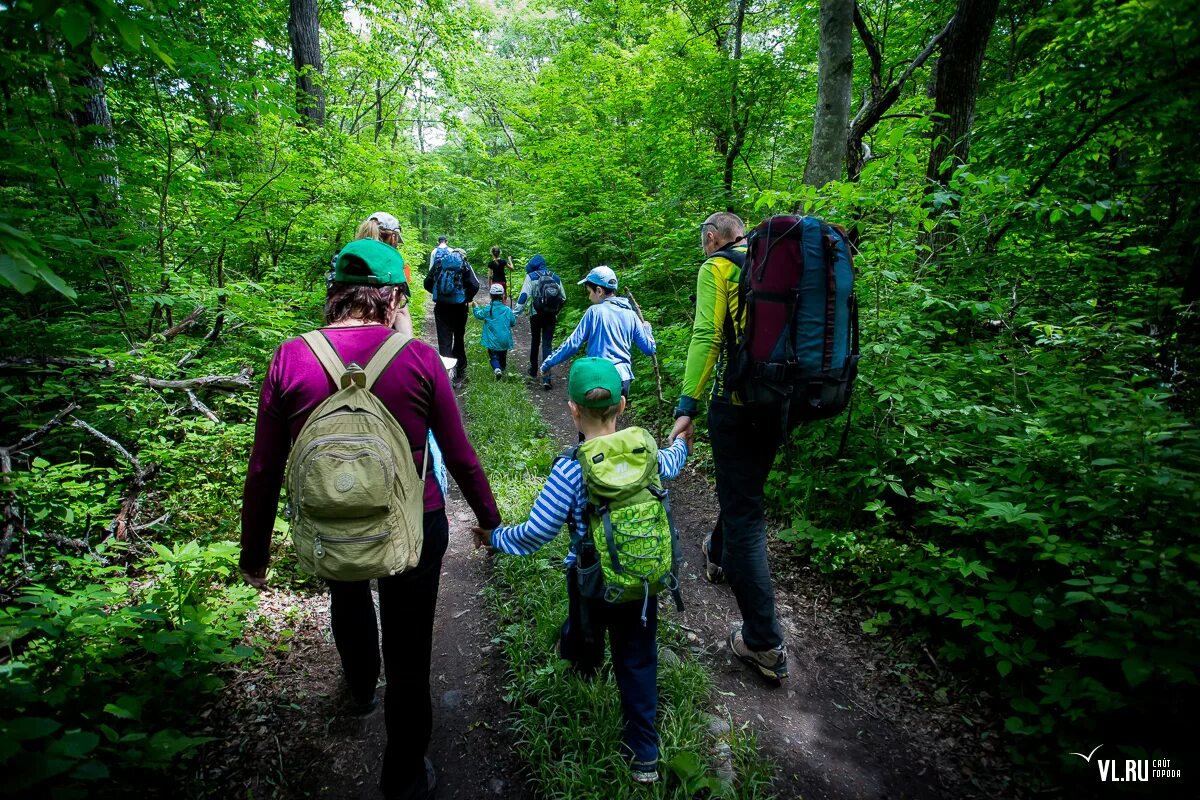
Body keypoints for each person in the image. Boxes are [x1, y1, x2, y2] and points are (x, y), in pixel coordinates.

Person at [240, 238, 501, 800]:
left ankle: (359, 688)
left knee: (348, 597)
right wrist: (488, 519)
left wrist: (254, 554)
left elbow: (264, 469)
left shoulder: (291, 356)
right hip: (415, 520)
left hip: (332, 518)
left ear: (334, 295)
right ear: (393, 299)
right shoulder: (419, 358)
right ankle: (403, 773)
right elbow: (458, 454)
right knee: (410, 652)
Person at [471, 358, 689, 785]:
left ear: (572, 408)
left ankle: (581, 666)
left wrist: (494, 538)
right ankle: (644, 756)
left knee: (587, 632)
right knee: (638, 661)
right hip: (642, 585)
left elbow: (536, 533)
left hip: (590, 580)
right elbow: (675, 460)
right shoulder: (648, 455)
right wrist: (683, 439)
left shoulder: (570, 469)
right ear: (622, 404)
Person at [668, 211, 789, 684]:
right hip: (780, 402)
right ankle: (717, 555)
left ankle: (764, 642)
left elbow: (707, 336)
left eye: (704, 243)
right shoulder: (769, 261)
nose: (704, 250)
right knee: (745, 491)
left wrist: (686, 407)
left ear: (713, 238)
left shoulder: (717, 267)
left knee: (746, 514)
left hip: (737, 404)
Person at [539, 265, 655, 400]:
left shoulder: (594, 312)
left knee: (594, 419)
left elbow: (572, 344)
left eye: (589, 291)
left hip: (599, 377)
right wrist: (647, 329)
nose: (589, 297)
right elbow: (649, 349)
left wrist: (548, 363)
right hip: (623, 379)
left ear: (599, 291)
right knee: (611, 420)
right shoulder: (631, 315)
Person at [425, 236, 477, 385]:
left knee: (444, 340)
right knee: (459, 337)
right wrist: (466, 298)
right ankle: (460, 370)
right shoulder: (464, 264)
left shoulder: (440, 263)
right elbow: (475, 285)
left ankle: (446, 376)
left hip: (441, 307)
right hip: (460, 308)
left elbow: (427, 283)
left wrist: (438, 294)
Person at [512, 254, 566, 390]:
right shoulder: (555, 277)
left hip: (536, 314)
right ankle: (546, 378)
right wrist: (556, 311)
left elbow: (524, 296)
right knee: (547, 344)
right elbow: (563, 297)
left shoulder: (531, 277)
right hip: (551, 315)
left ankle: (533, 371)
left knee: (535, 341)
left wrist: (514, 314)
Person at [472, 283, 517, 379]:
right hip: (504, 340)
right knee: (503, 357)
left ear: (490, 295)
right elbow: (513, 322)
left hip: (492, 340)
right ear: (502, 295)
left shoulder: (488, 309)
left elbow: (479, 315)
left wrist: (475, 307)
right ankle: (502, 370)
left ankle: (497, 369)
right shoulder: (507, 310)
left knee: (494, 357)